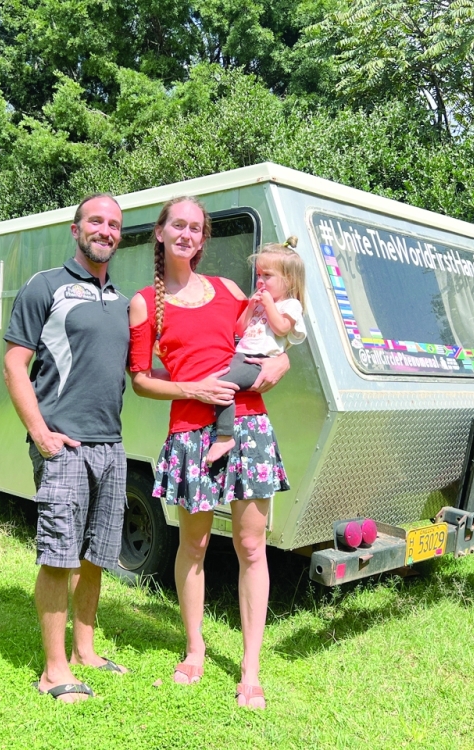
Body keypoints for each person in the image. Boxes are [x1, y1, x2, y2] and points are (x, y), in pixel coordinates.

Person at [127, 196, 291, 710]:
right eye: (178, 224)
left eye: (196, 228)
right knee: (193, 547)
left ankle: (250, 669)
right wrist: (193, 390)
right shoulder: (145, 304)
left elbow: (265, 342)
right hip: (191, 434)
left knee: (251, 549)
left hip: (249, 428)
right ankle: (194, 650)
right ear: (160, 233)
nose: (187, 234)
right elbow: (141, 381)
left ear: (203, 239)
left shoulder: (229, 290)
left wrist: (282, 364)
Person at [2, 194, 130, 703]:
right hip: (63, 444)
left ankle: (85, 651)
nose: (105, 230)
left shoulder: (122, 300)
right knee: (59, 557)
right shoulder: (46, 287)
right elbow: (14, 365)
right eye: (96, 221)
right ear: (76, 229)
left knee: (96, 556)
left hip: (111, 444)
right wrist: (40, 432)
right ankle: (54, 671)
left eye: (114, 224)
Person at [204, 238, 307, 465]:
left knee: (222, 384)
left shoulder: (290, 305)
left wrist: (269, 305)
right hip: (242, 355)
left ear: (288, 279)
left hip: (261, 360)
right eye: (259, 275)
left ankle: (224, 436)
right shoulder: (259, 301)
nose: (260, 281)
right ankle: (221, 430)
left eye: (267, 276)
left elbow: (281, 328)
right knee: (213, 377)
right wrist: (252, 306)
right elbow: (239, 328)